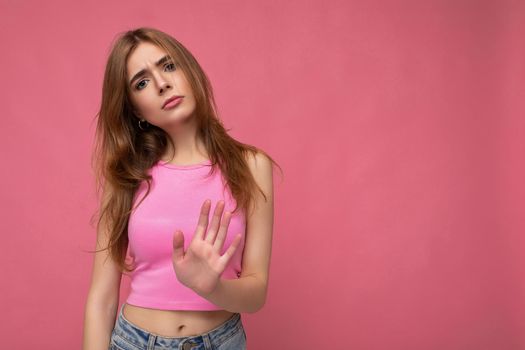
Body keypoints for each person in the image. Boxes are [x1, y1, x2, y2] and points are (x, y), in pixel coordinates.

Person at [82, 27, 281, 350]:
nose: (162, 84)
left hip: (220, 342)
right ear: (135, 109)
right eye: (142, 82)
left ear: (190, 70)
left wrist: (212, 288)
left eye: (169, 66)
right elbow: (101, 298)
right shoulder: (127, 176)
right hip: (134, 342)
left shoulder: (252, 165)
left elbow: (256, 293)